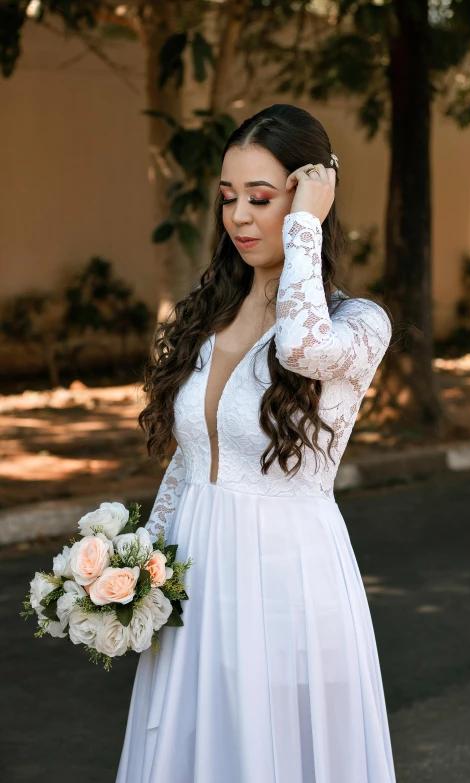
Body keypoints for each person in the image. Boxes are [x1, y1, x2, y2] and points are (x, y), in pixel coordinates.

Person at [116, 103, 396, 783]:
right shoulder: (211, 314)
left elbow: (301, 347)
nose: (239, 215)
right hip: (197, 571)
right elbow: (188, 460)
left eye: (262, 198)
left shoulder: (358, 324)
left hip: (287, 578)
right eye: (228, 197)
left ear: (307, 199)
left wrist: (305, 227)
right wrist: (134, 573)